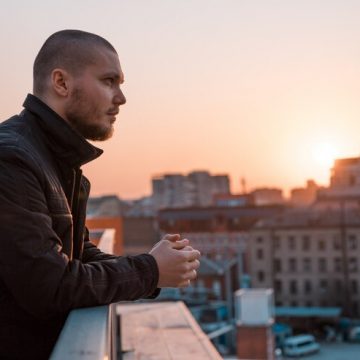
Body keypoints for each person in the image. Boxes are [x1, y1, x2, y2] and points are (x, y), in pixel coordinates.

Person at [0, 29, 201, 360]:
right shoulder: (13, 158)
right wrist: (150, 269)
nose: (121, 98)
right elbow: (50, 286)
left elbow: (78, 255)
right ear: (61, 83)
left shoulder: (51, 157)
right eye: (109, 81)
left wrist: (156, 266)